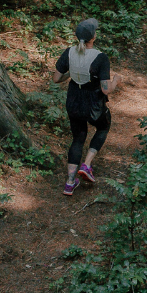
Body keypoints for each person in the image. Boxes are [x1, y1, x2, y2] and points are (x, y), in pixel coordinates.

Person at [53, 18, 120, 195]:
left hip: (74, 101)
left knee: (78, 138)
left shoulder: (69, 52)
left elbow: (56, 78)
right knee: (103, 126)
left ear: (77, 36)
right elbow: (106, 90)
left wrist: (71, 73)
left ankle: (69, 182)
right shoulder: (100, 57)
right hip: (93, 103)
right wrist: (115, 81)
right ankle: (87, 164)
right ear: (93, 37)